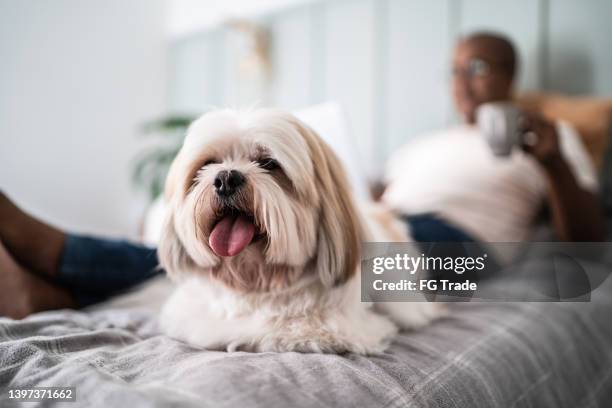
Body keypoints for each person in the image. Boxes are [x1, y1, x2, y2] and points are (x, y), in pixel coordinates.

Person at [0, 32, 605, 319]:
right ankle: (52, 288)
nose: (462, 81)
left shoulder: (549, 137)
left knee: (342, 271)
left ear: (509, 73)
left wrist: (549, 157)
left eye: (477, 66)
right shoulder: (425, 144)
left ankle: (59, 257)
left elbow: (586, 237)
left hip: (466, 250)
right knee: (231, 252)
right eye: (452, 70)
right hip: (389, 217)